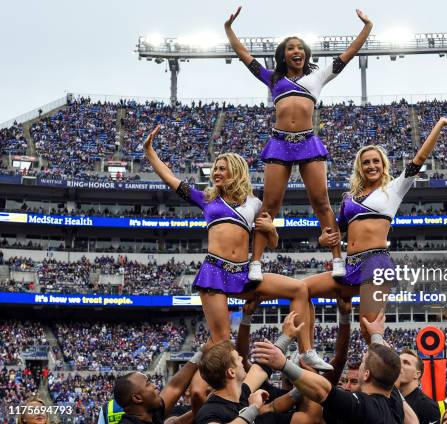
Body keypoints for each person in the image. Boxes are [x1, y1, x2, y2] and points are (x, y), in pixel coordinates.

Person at [144, 124, 330, 371]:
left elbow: (271, 242)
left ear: (236, 171)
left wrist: (271, 229)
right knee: (222, 341)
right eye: (215, 169)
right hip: (215, 272)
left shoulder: (254, 203)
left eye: (222, 168)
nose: (216, 172)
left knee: (299, 289)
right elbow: (171, 179)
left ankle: (306, 351)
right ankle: (228, 385)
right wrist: (149, 152)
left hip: (243, 273)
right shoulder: (207, 198)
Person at [224, 6, 374, 281]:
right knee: (269, 204)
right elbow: (245, 57)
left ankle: (337, 259)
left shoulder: (317, 77)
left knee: (321, 202)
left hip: (307, 143)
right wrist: (229, 30)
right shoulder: (273, 79)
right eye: (291, 48)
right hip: (280, 143)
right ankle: (255, 262)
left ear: (305, 54)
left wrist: (366, 28)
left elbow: (348, 55)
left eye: (300, 48)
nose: (297, 51)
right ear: (283, 55)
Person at [307, 117, 447, 342]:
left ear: (383, 165)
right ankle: (307, 351)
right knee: (303, 289)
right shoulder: (348, 198)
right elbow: (337, 231)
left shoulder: (395, 188)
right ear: (359, 168)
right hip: (348, 266)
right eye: (366, 162)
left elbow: (419, 159)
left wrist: (439, 125)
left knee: (369, 330)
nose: (371, 166)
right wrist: (324, 238)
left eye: (375, 161)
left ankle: (387, 375)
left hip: (375, 263)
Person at [253, 310, 419, 424]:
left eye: (363, 362)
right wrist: (375, 335)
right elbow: (386, 363)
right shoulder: (394, 402)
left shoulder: (363, 407)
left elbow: (324, 390)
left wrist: (283, 363)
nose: (361, 363)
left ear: (366, 374)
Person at [194, 311, 303, 424]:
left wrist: (286, 336)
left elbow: (261, 368)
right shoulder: (209, 411)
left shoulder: (242, 394)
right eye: (237, 358)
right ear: (231, 372)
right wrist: (253, 408)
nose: (242, 359)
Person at [114, 345, 202, 423]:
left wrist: (202, 352)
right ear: (137, 398)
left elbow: (175, 387)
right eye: (148, 384)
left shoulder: (151, 414)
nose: (154, 386)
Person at [396, 348, 441, 424]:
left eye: (406, 363)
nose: (399, 365)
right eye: (398, 362)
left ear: (417, 374)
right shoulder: (390, 400)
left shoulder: (428, 406)